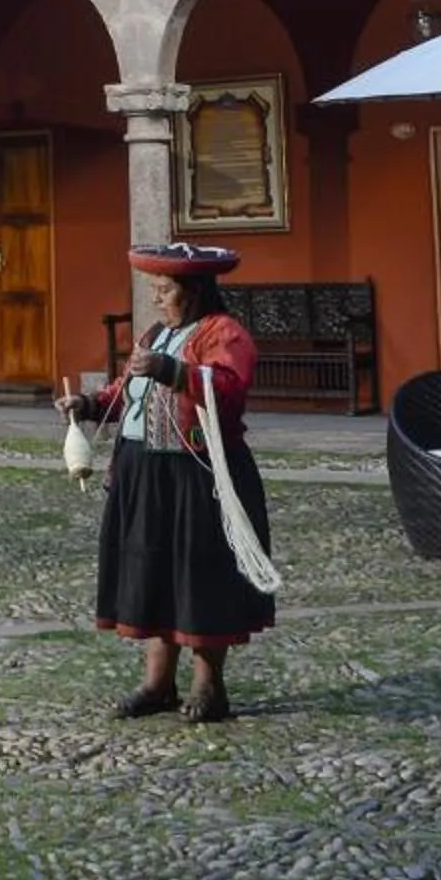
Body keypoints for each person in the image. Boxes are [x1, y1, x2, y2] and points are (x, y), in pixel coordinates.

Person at [60, 242, 272, 724]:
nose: (157, 299)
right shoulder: (155, 335)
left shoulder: (225, 334)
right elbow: (126, 391)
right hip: (144, 472)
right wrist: (90, 405)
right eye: (155, 289)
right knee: (153, 572)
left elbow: (228, 390)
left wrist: (175, 372)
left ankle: (208, 687)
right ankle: (157, 685)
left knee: (199, 577)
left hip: (196, 475)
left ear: (194, 291)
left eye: (165, 289)